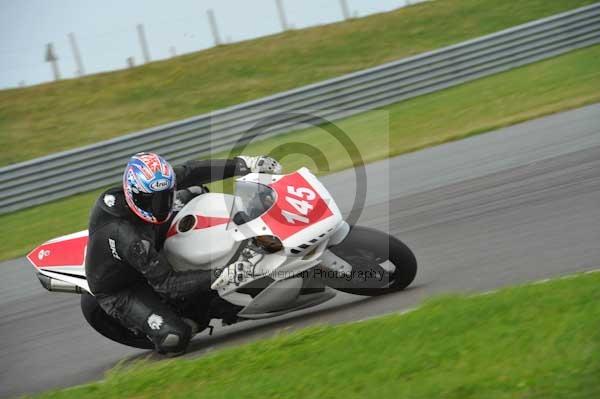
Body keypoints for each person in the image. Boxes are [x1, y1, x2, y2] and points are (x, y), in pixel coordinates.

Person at [85, 152, 281, 354]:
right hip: (123, 288)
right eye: (152, 201)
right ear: (133, 194)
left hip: (150, 232)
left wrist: (245, 164)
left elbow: (192, 171)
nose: (159, 206)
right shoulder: (130, 239)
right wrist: (226, 273)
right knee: (175, 338)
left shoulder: (153, 185)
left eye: (164, 198)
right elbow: (167, 284)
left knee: (195, 190)